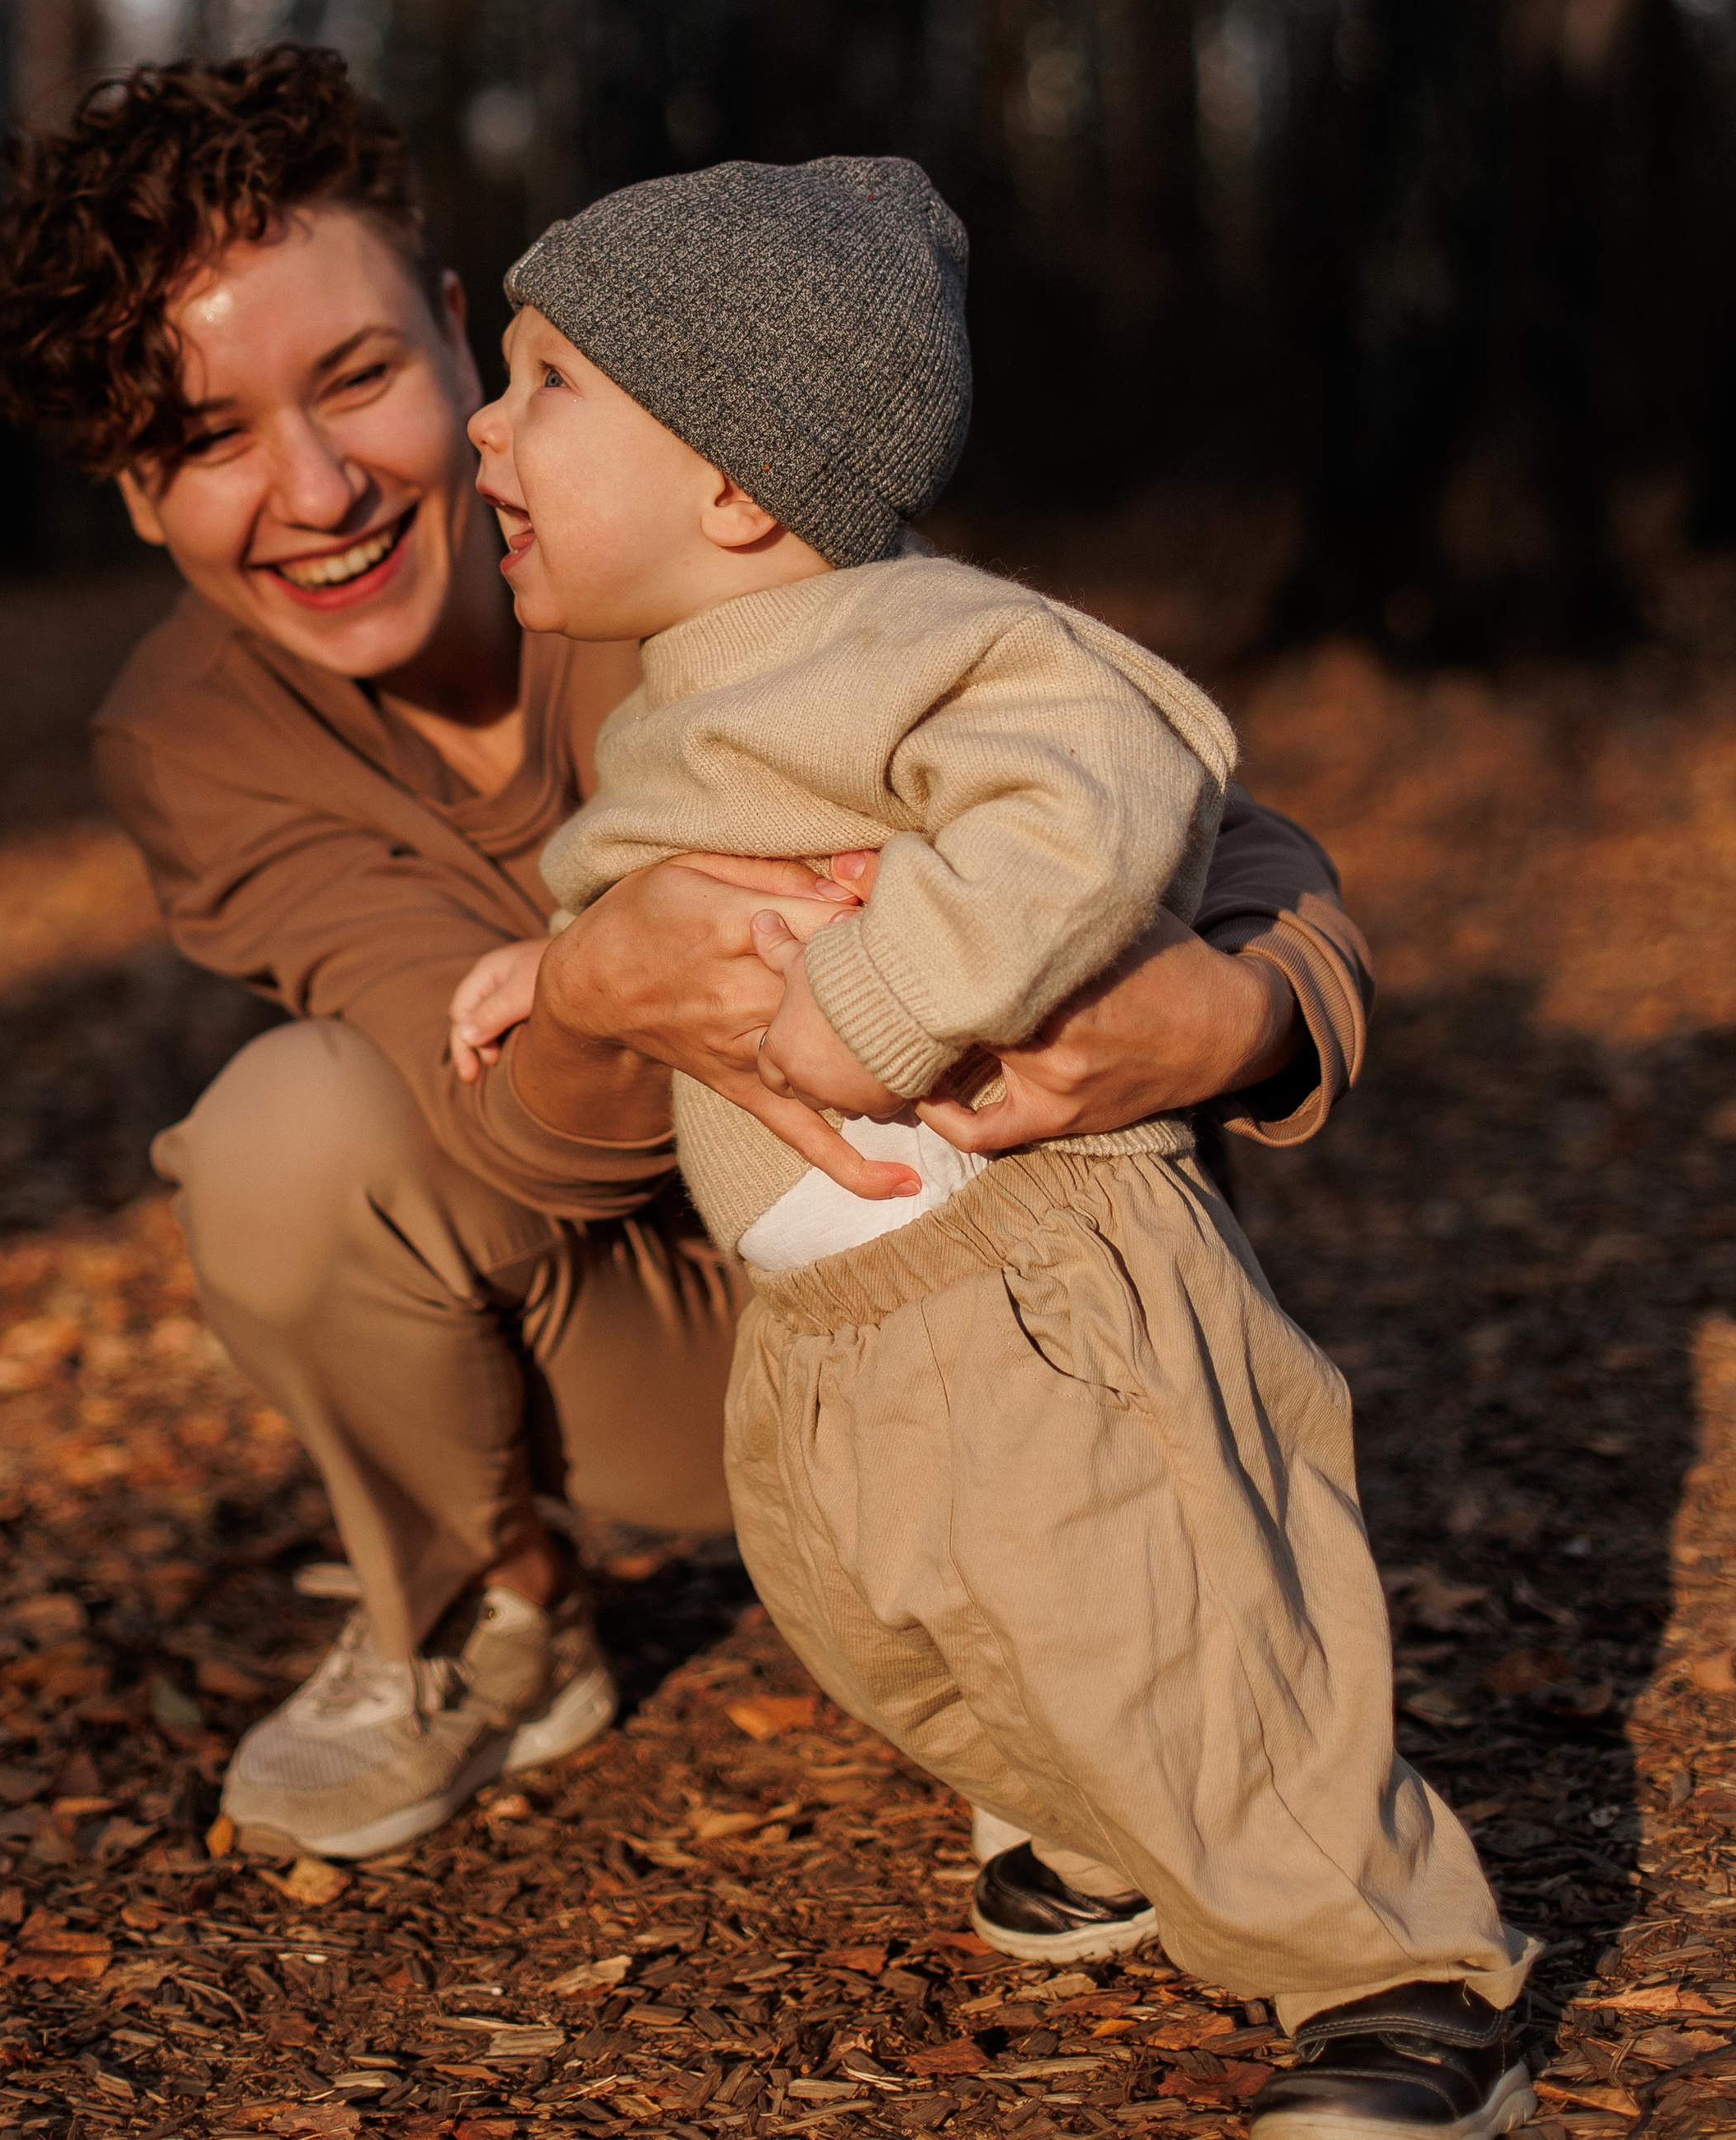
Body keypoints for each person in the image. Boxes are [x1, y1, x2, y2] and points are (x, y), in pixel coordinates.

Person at [0, 46, 1371, 1886]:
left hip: (992, 1278)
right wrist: (602, 983)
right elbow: (513, 1144)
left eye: (357, 377)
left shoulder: (718, 539)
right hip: (681, 1347)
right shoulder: (194, 737)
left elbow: (1191, 818)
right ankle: (494, 1608)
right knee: (281, 1137)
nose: (313, 489)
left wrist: (1244, 1012)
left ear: (462, 341)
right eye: (208, 439)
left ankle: (1090, 1597)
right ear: (138, 495)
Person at [455, 155, 1533, 2140]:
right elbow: (686, 896)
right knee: (901, 1628)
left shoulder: (920, 633)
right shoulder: (683, 685)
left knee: (1171, 1624)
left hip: (1035, 1269)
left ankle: (1395, 1982)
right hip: (837, 1311)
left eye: (542, 385)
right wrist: (551, 973)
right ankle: (1106, 1822)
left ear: (733, 482)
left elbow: (1100, 779)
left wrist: (874, 1006)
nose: (481, 423)